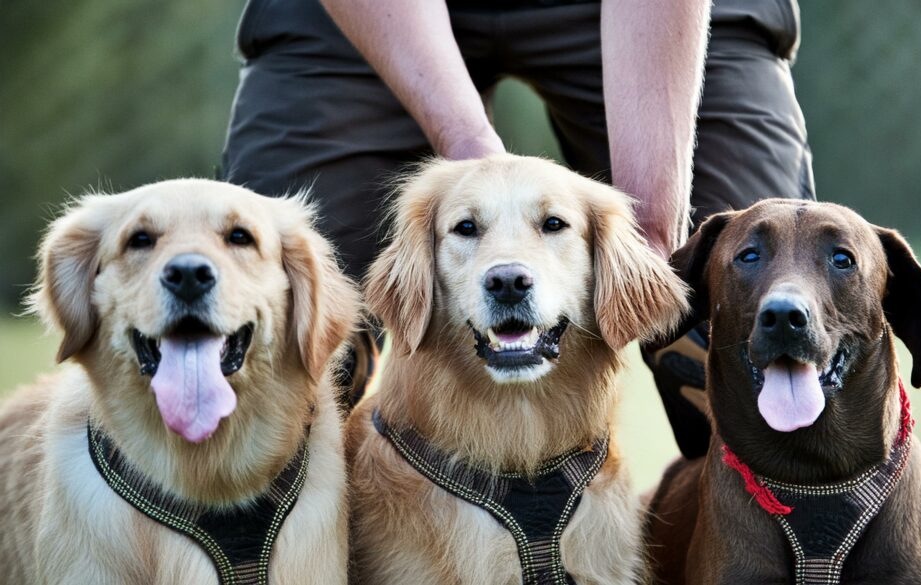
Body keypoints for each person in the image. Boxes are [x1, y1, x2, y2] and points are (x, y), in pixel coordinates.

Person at [221, 0, 815, 457]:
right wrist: (473, 160)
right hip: (366, 20)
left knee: (762, 304)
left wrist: (655, 231)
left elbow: (658, 238)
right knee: (262, 346)